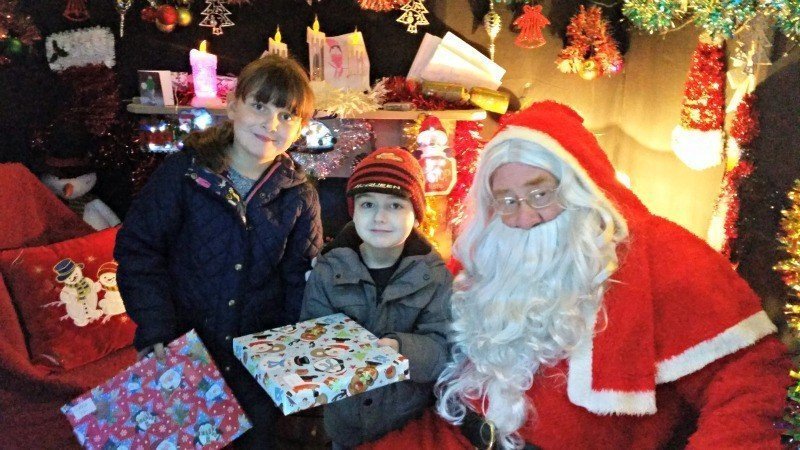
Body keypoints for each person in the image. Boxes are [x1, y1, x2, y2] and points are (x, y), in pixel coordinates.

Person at [364, 101, 789, 449]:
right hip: (451, 434)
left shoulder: (658, 252)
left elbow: (749, 379)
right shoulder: (487, 254)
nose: (524, 216)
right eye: (506, 200)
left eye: (540, 193)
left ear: (580, 188)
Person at [114, 55, 322, 448]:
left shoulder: (300, 196)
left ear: (300, 129)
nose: (270, 123)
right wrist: (155, 328)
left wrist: (290, 357)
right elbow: (140, 251)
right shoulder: (184, 173)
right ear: (233, 106)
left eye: (286, 115)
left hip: (257, 369)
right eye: (260, 105)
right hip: (184, 351)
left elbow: (299, 281)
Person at [300, 147, 452, 449]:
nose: (380, 217)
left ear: (416, 214)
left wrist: (400, 348)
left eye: (395, 206)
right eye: (368, 204)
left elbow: (443, 349)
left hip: (404, 426)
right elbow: (311, 336)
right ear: (353, 210)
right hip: (345, 423)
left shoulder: (434, 276)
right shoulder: (329, 270)